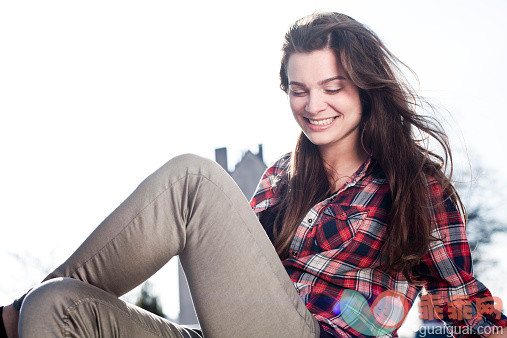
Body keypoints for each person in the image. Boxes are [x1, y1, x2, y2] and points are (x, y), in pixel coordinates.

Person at [1, 11, 506, 338]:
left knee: (192, 181)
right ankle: (24, 311)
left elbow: (461, 302)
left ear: (366, 88)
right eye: (298, 89)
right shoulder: (282, 177)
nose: (313, 106)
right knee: (53, 306)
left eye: (333, 86)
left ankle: (7, 317)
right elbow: (236, 283)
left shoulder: (417, 188)